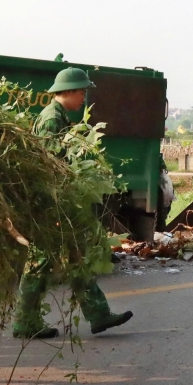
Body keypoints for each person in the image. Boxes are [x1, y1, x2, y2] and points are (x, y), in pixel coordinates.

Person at [13, 67, 134, 339]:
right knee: (41, 263)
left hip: (56, 202)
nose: (83, 97)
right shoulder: (50, 121)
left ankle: (98, 314)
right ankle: (25, 322)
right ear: (67, 92)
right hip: (49, 204)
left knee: (76, 259)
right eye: (81, 92)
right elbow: (50, 167)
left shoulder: (59, 117)